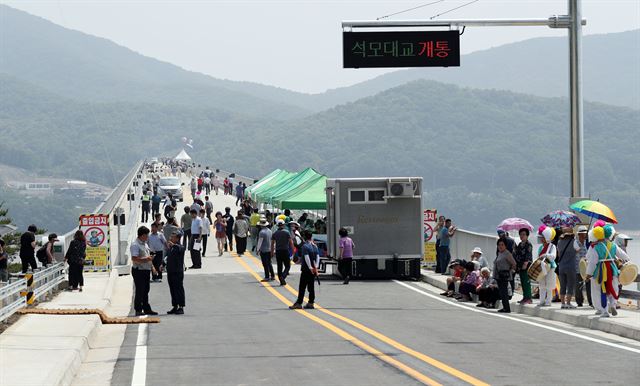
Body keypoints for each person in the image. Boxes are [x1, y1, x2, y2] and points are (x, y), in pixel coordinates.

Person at [586, 226, 629, 317]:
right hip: (612, 269)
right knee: (613, 288)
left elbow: (592, 262)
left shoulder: (595, 247)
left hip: (599, 271)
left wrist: (588, 274)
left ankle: (604, 310)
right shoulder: (613, 245)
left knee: (599, 290)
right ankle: (613, 304)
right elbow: (625, 256)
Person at [130, 226, 158, 316]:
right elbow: (134, 258)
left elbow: (148, 256)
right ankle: (138, 309)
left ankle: (146, 308)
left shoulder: (145, 244)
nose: (147, 237)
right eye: (146, 235)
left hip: (146, 270)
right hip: (139, 270)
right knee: (140, 290)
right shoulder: (135, 245)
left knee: (146, 290)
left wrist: (152, 267)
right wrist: (147, 259)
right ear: (142, 235)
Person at [289, 230, 319, 310]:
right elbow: (317, 257)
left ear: (304, 237)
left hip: (306, 269)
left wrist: (310, 268)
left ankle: (299, 303)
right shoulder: (314, 246)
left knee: (302, 287)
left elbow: (306, 257)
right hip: (313, 269)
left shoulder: (305, 246)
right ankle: (311, 302)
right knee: (311, 287)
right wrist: (315, 267)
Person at [535, 226, 558, 307]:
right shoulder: (541, 247)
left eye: (542, 237)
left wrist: (546, 255)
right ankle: (541, 301)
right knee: (542, 285)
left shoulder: (552, 246)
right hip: (542, 267)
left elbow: (553, 256)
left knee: (549, 285)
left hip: (550, 267)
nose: (541, 239)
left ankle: (548, 301)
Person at [557, 227, 578, 309]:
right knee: (570, 284)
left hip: (561, 266)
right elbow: (578, 249)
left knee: (562, 285)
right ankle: (568, 303)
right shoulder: (574, 241)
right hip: (571, 266)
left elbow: (558, 254)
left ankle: (562, 303)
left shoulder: (559, 242)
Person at [165, 231, 186, 315]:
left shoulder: (179, 247)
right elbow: (168, 257)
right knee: (172, 289)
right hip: (170, 270)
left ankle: (181, 306)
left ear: (177, 238)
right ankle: (175, 305)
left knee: (178, 289)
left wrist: (172, 245)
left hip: (177, 272)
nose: (171, 238)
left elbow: (180, 249)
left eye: (173, 237)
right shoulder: (171, 247)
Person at [271, 218, 294, 286]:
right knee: (287, 266)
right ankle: (283, 277)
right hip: (285, 251)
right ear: (283, 225)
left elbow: (272, 244)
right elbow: (291, 242)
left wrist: (272, 252)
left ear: (277, 225)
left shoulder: (275, 233)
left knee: (279, 266)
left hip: (278, 251)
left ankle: (281, 278)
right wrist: (293, 250)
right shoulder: (286, 232)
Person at [513, 228, 533, 305]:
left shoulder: (528, 244)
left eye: (524, 234)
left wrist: (525, 264)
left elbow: (528, 255)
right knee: (523, 282)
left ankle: (529, 298)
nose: (522, 236)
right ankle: (525, 297)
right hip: (520, 266)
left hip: (526, 266)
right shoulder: (520, 244)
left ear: (527, 236)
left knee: (527, 282)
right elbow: (516, 254)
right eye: (521, 234)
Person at [574, 225, 592, 307]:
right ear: (579, 234)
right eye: (583, 234)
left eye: (585, 233)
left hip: (587, 267)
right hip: (577, 268)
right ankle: (579, 301)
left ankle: (591, 301)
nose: (585, 235)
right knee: (578, 286)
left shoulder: (586, 243)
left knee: (589, 285)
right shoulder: (575, 243)